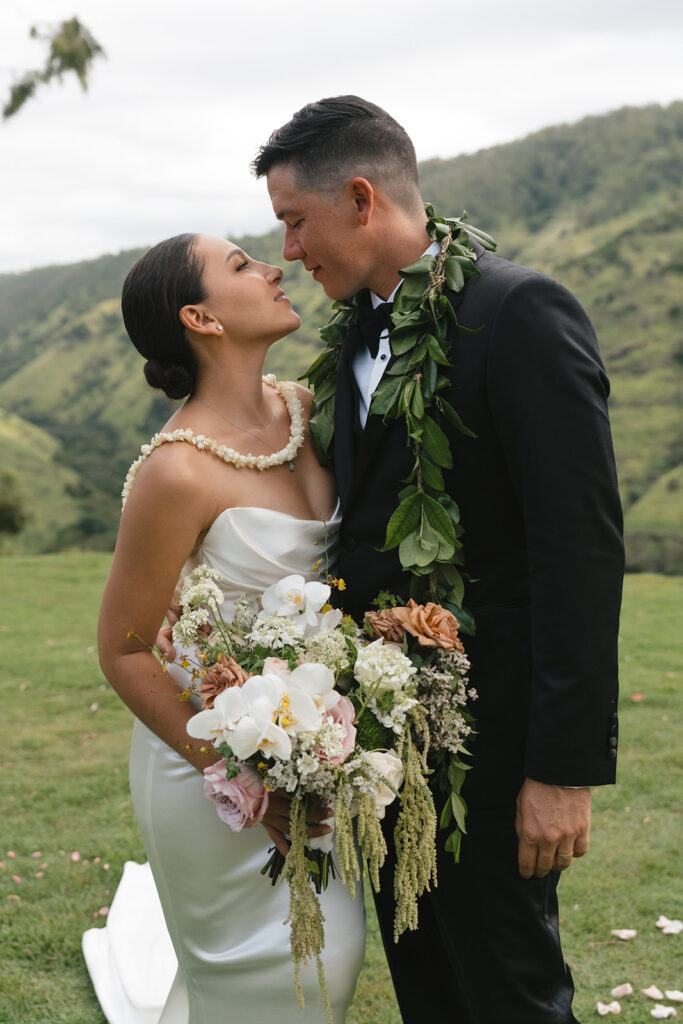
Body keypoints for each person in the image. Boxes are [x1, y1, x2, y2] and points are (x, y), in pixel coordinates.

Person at [249, 96, 625, 1023]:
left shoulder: (517, 312)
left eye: (296, 222)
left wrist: (561, 770)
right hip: (389, 741)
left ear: (363, 198)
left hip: (491, 743)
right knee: (430, 990)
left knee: (509, 991)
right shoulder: (346, 340)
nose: (290, 251)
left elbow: (579, 550)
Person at [95, 233, 366, 1024]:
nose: (273, 268)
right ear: (200, 317)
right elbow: (123, 649)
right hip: (207, 770)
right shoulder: (176, 472)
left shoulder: (310, 410)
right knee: (260, 988)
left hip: (315, 749)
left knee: (333, 964)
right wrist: (238, 775)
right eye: (242, 265)